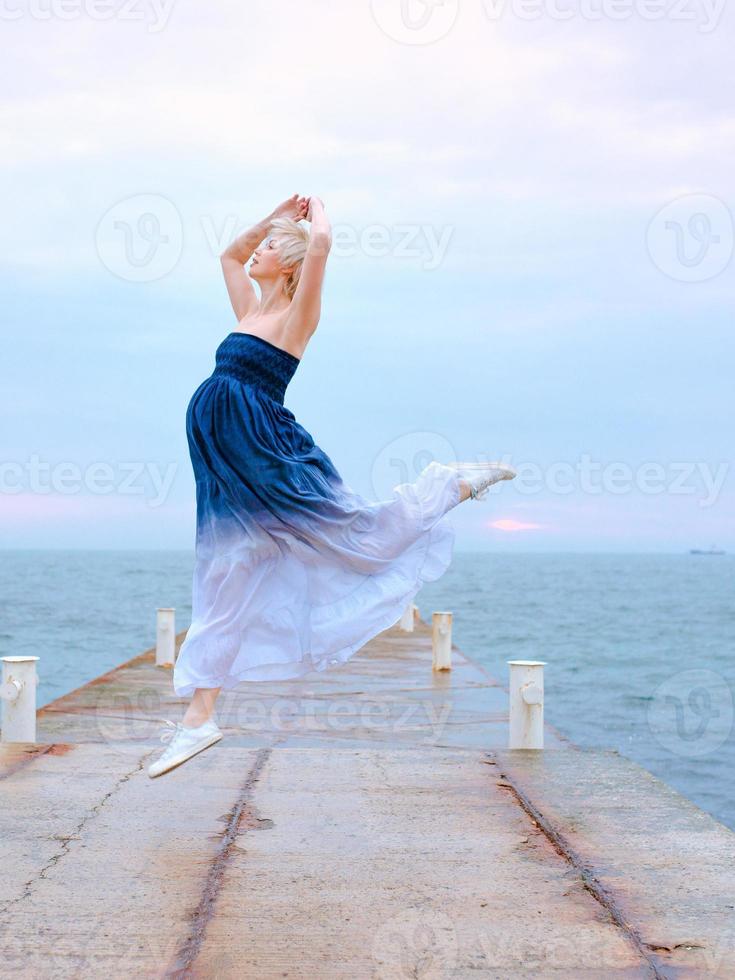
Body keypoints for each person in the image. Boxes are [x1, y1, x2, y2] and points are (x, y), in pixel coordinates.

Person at [148, 194, 515, 778]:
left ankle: (449, 486)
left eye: (271, 248)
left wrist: (313, 219)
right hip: (222, 460)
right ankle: (199, 719)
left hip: (264, 451)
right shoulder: (247, 311)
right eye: (264, 244)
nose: (258, 253)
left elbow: (319, 247)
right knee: (226, 575)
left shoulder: (297, 318)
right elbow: (228, 254)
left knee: (357, 541)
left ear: (289, 266)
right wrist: (274, 214)